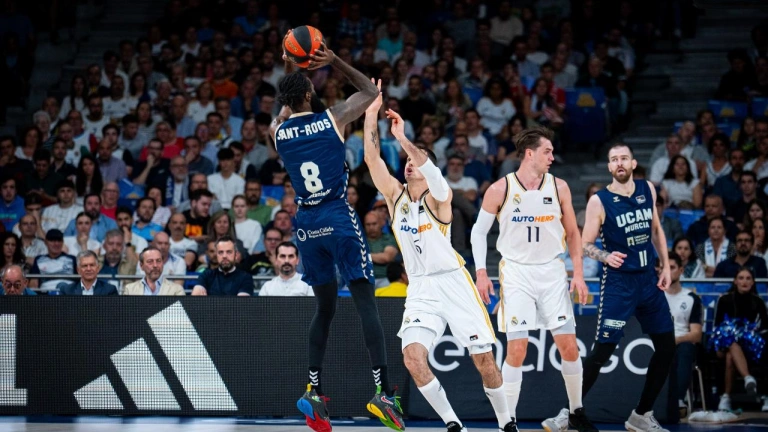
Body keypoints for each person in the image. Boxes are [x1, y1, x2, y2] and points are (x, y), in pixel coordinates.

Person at [269, 34, 402, 432]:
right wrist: (334, 61)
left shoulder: (278, 132)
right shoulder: (332, 119)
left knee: (324, 309)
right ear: (309, 94)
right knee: (366, 304)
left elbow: (283, 107)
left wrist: (291, 65)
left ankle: (313, 391)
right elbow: (370, 92)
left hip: (307, 225)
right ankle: (383, 394)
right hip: (337, 217)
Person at [364, 86, 515, 432]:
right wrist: (371, 113)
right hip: (420, 288)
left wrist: (404, 139)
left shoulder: (439, 199)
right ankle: (452, 424)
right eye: (406, 162)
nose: (408, 165)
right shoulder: (395, 197)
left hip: (453, 281)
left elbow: (435, 176)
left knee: (484, 360)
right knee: (412, 358)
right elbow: (372, 160)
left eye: (413, 161)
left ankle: (507, 423)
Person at [542, 143, 676, 432]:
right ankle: (569, 412)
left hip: (648, 281)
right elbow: (585, 244)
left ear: (633, 163)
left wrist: (665, 265)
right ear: (609, 167)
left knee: (667, 347)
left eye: (624, 158)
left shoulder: (648, 190)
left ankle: (642, 415)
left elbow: (656, 229)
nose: (620, 163)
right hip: (619, 284)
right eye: (614, 159)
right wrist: (605, 256)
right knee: (601, 352)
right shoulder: (599, 201)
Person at [470, 126, 594, 432]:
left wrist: (578, 273)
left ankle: (576, 411)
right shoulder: (500, 189)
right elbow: (478, 232)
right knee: (517, 349)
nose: (552, 157)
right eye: (547, 152)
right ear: (530, 154)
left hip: (552, 271)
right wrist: (481, 272)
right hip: (516, 273)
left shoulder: (559, 187)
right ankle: (508, 421)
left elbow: (573, 233)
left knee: (569, 347)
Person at [713, 267, 768, 411]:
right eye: (741, 278)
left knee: (731, 355)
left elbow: (764, 329)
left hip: (751, 346)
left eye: (748, 278)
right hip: (724, 343)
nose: (744, 281)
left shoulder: (758, 302)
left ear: (753, 282)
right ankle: (748, 378)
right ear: (735, 281)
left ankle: (726, 397)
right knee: (730, 341)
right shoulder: (724, 300)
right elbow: (717, 326)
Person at [663, 252, 703, 415]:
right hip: (656, 341)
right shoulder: (655, 296)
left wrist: (675, 340)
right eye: (664, 268)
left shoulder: (691, 298)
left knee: (686, 348)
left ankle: (678, 399)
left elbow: (696, 334)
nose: (667, 271)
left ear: (681, 270)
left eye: (672, 267)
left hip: (680, 343)